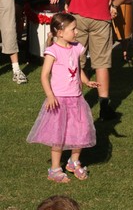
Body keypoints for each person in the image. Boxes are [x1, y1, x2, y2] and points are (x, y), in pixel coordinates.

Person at [27, 13, 98, 183]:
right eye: (73, 29)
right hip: (59, 100)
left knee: (80, 131)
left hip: (77, 99)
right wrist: (50, 95)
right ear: (60, 32)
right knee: (58, 135)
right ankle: (55, 169)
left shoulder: (76, 47)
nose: (76, 32)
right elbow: (44, 76)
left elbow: (77, 69)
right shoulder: (53, 51)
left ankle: (73, 162)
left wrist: (86, 81)